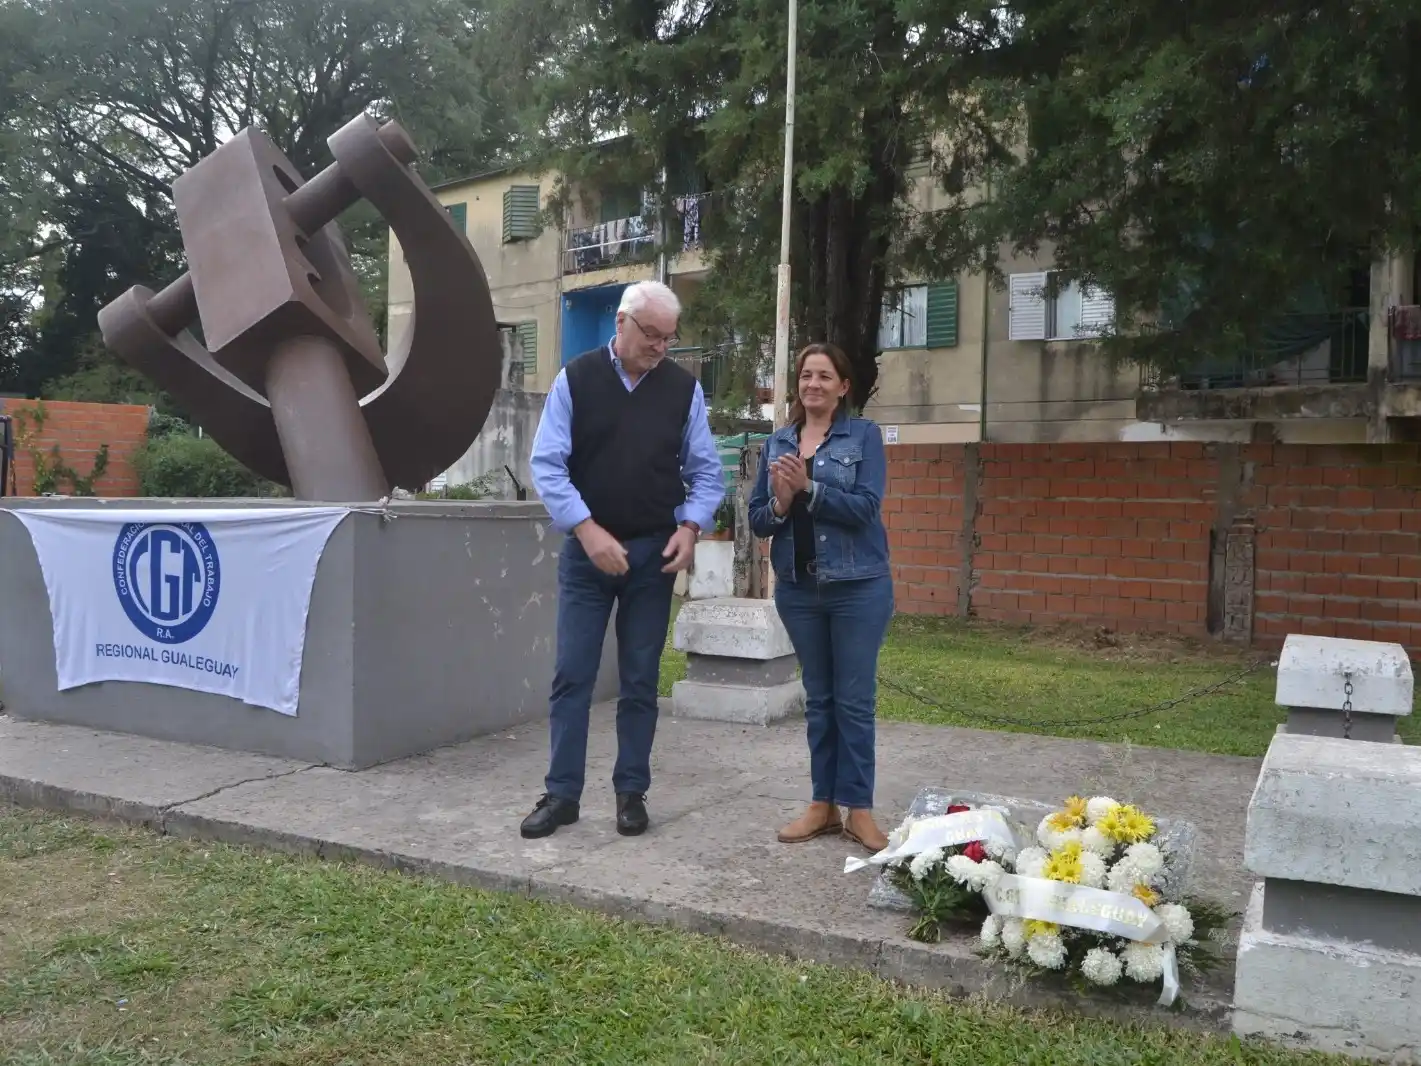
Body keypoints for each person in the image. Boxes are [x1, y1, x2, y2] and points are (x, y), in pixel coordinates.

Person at [522, 281, 725, 839]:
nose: (660, 347)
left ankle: (631, 794)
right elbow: (548, 465)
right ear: (622, 323)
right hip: (589, 554)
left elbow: (707, 473)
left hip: (652, 555)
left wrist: (690, 527)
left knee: (640, 679)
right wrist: (586, 531)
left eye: (669, 338)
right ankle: (562, 795)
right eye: (651, 335)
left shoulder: (684, 392)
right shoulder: (576, 379)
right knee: (573, 676)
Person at [748, 342, 894, 852]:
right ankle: (821, 804)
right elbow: (758, 520)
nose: (813, 383)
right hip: (799, 589)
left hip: (857, 587)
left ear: (843, 387)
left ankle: (860, 811)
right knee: (820, 701)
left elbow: (866, 508)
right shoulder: (777, 443)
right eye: (806, 375)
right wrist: (783, 503)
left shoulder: (865, 436)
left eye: (824, 376)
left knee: (854, 702)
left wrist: (808, 489)